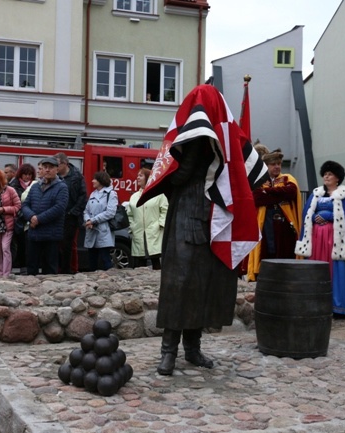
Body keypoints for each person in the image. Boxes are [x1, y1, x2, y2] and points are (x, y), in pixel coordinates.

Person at [136, 84, 268, 376]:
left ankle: (192, 349)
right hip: (189, 217)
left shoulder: (211, 134)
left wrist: (164, 177)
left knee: (201, 285)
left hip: (207, 216)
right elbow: (183, 173)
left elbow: (180, 173)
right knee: (179, 285)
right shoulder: (207, 134)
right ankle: (169, 351)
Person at [295, 161, 345, 318]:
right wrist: (313, 217)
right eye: (325, 174)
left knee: (336, 270)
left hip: (335, 240)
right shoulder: (316, 194)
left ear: (337, 178)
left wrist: (330, 216)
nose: (326, 176)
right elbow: (305, 215)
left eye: (330, 174)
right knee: (316, 270)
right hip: (317, 239)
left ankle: (337, 307)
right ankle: (313, 303)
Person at [246, 147, 302, 282]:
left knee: (286, 249)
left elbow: (291, 192)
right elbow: (258, 198)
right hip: (265, 222)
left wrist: (269, 192)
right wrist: (278, 194)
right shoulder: (259, 181)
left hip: (286, 224)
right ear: (266, 165)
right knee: (268, 249)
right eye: (273, 164)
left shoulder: (288, 178)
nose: (277, 167)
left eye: (279, 164)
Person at [20, 157, 68, 275]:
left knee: (50, 268)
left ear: (57, 169)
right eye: (45, 167)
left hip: (51, 235)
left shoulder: (62, 187)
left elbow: (59, 208)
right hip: (34, 233)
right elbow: (25, 205)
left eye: (51, 167)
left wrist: (38, 219)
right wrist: (31, 217)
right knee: (31, 266)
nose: (47, 170)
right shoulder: (35, 186)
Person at [127, 168, 167, 270]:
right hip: (139, 231)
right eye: (137, 175)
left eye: (140, 175)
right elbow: (130, 213)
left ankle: (157, 282)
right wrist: (133, 226)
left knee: (155, 260)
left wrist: (161, 224)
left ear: (148, 177)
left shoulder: (158, 194)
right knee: (139, 262)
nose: (137, 178)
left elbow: (165, 209)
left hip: (154, 230)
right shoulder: (134, 196)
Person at [55, 152, 87, 274]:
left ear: (65, 164)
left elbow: (83, 196)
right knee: (58, 244)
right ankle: (59, 268)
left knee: (69, 244)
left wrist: (73, 212)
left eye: (57, 164)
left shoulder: (77, 176)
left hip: (71, 216)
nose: (55, 167)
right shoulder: (55, 177)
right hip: (58, 215)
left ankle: (69, 269)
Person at [83, 171, 117, 271]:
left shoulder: (111, 194)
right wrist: (88, 220)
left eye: (95, 179)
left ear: (101, 181)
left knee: (105, 259)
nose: (92, 181)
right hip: (91, 230)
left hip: (103, 231)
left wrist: (93, 220)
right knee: (91, 260)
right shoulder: (93, 194)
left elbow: (110, 212)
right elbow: (86, 210)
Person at [10, 163, 36, 270]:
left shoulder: (36, 185)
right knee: (18, 245)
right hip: (17, 219)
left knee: (28, 246)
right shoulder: (14, 186)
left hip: (30, 219)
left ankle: (25, 266)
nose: (27, 177)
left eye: (29, 174)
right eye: (25, 174)